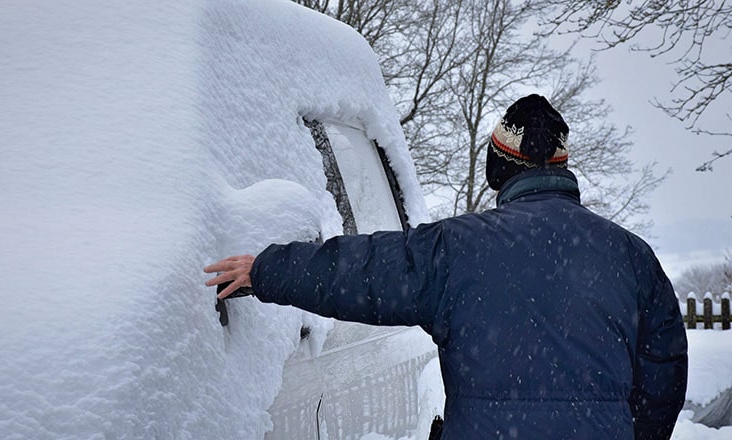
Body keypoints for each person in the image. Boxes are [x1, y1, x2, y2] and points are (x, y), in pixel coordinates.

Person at [204, 94, 688, 439]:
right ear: (561, 168)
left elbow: (363, 270)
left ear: (498, 168)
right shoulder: (631, 256)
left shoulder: (457, 249)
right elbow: (663, 382)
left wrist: (267, 269)